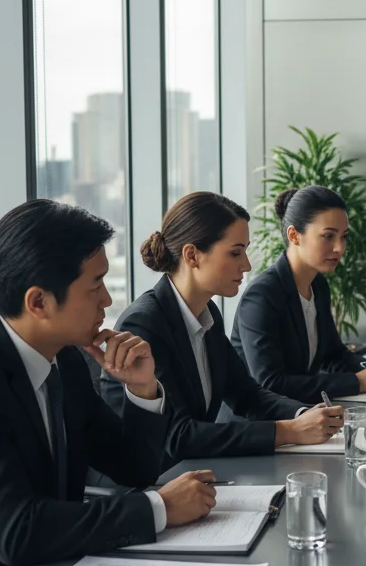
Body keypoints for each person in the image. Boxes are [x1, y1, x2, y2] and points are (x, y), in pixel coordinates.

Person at [0, 200, 216, 566]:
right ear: (38, 302)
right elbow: (17, 532)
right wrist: (158, 508)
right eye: (95, 285)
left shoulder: (64, 360)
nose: (107, 300)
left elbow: (134, 467)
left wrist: (142, 389)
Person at [100, 192, 343, 466]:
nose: (247, 264)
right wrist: (287, 431)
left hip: (196, 473)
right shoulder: (145, 323)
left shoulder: (207, 313)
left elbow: (246, 394)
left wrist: (305, 414)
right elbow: (178, 436)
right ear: (192, 255)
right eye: (235, 252)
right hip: (152, 485)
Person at [230, 186, 366, 403]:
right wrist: (358, 382)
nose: (339, 248)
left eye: (343, 237)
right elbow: (271, 384)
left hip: (302, 415)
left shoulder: (317, 284)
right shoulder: (262, 295)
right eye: (328, 236)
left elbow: (334, 355)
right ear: (294, 235)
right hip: (259, 426)